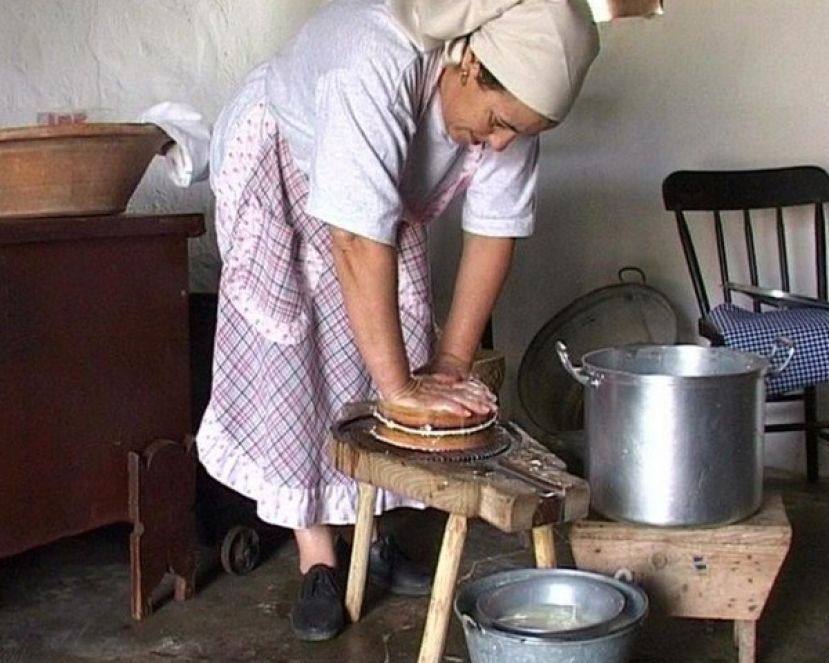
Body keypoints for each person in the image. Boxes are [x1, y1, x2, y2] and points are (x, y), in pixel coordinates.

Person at [197, 0, 599, 642]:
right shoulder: (373, 61)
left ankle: (369, 532)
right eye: (496, 123)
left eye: (517, 133)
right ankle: (318, 556)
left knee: (395, 338)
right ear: (468, 63)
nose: (501, 142)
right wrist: (401, 391)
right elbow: (357, 243)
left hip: (373, 191)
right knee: (295, 351)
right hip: (278, 155)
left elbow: (496, 232)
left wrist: (448, 367)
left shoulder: (507, 109)